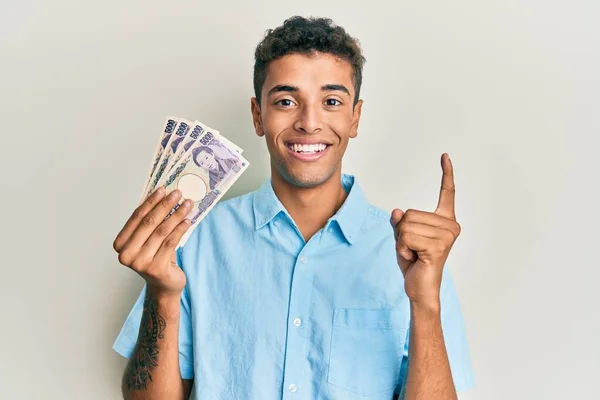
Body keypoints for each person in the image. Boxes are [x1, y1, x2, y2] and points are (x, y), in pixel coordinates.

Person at [112, 16, 474, 400]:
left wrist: (425, 303)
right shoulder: (195, 236)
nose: (309, 122)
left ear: (355, 117)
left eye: (331, 101)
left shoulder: (415, 259)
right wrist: (161, 294)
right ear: (257, 115)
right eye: (286, 101)